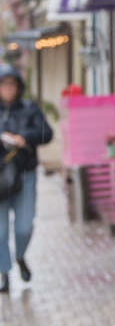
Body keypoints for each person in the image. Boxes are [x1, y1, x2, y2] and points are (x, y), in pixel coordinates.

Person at [0, 63, 52, 294]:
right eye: (3, 84)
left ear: (18, 86)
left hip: (25, 174)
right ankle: (4, 273)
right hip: (0, 178)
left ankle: (20, 256)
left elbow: (47, 133)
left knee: (24, 226)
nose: (7, 88)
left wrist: (25, 137)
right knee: (0, 232)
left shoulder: (29, 108)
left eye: (11, 83)